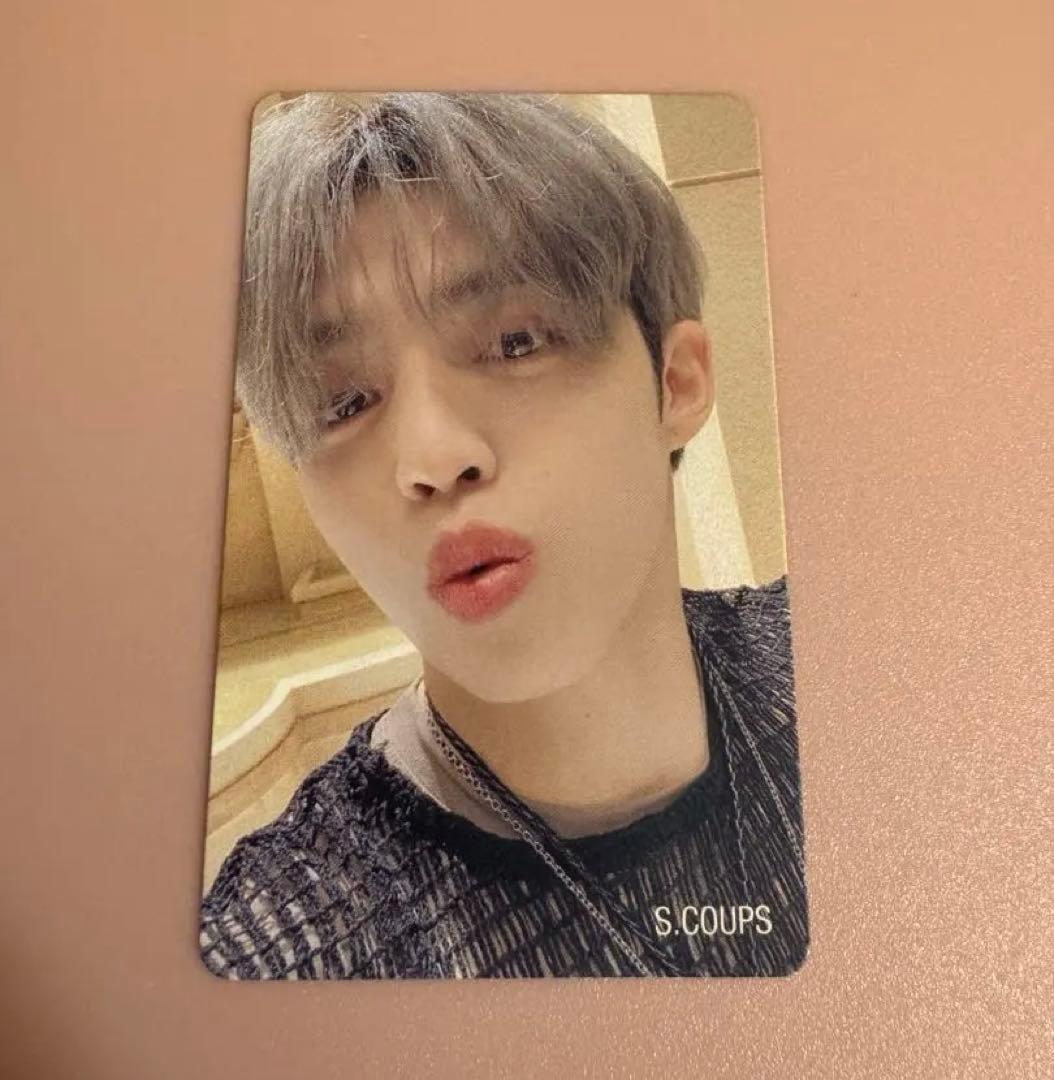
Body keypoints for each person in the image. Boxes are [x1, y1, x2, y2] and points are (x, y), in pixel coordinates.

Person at [200, 91, 809, 978]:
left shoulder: (872, 682)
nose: (433, 458)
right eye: (344, 402)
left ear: (674, 383)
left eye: (517, 341)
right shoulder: (293, 953)